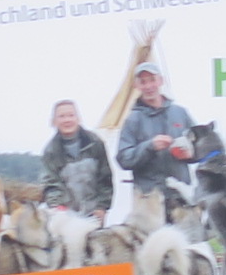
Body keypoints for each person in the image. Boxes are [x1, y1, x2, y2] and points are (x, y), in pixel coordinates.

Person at [113, 62, 198, 197]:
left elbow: (201, 146)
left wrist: (191, 154)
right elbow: (123, 159)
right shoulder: (132, 119)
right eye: (143, 82)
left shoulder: (180, 113)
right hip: (149, 197)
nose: (148, 86)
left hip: (182, 194)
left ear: (161, 81)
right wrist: (150, 146)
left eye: (152, 80)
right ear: (136, 85)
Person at [38, 99, 113, 248]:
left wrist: (102, 207)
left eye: (71, 115)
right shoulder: (51, 151)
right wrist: (57, 207)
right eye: (62, 116)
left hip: (94, 213)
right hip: (67, 215)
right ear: (54, 121)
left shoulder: (95, 143)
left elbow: (106, 178)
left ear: (78, 118)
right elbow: (51, 184)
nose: (67, 120)